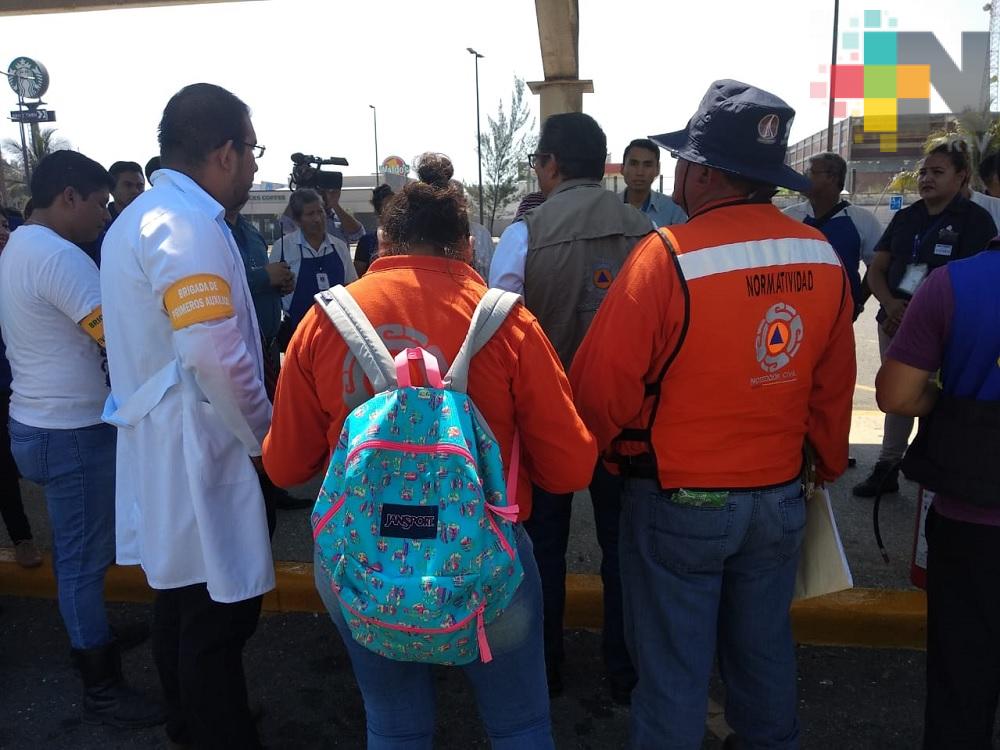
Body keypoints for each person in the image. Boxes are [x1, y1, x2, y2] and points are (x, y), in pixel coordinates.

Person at [263, 154, 596, 749]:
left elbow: (286, 466)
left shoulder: (323, 323)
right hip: (487, 563)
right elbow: (571, 468)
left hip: (359, 562)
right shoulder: (508, 323)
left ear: (383, 242)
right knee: (519, 724)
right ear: (467, 248)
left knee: (393, 724)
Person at [570, 79, 856, 749]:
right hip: (780, 500)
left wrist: (600, 456)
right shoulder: (820, 255)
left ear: (697, 171)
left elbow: (599, 390)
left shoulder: (667, 258)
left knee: (672, 676)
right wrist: (828, 466)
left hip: (679, 502)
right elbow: (833, 387)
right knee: (763, 660)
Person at [101, 83, 273, 749]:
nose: (257, 166)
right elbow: (212, 352)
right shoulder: (184, 226)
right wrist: (264, 434)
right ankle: (218, 734)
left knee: (180, 599)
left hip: (167, 439)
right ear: (225, 153)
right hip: (200, 444)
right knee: (216, 617)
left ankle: (188, 721)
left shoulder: (141, 218)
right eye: (253, 151)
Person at [489, 112, 652, 702]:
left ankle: (545, 665)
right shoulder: (648, 231)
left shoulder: (523, 235)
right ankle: (625, 669)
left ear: (551, 165)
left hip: (548, 421)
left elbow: (499, 335)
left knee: (542, 548)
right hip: (627, 423)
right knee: (624, 548)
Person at [0, 151, 163, 727]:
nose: (105, 214)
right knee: (80, 561)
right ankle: (100, 685)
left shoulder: (20, 245)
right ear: (69, 196)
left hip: (40, 423)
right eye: (99, 203)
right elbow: (116, 335)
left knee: (84, 556)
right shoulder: (60, 259)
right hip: (69, 430)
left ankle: (92, 628)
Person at [874, 246, 1000, 749]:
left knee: (962, 685)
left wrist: (950, 405)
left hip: (973, 522)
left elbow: (898, 396)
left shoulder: (952, 285)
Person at [854, 140, 997, 497]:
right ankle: (887, 466)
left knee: (942, 397)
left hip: (946, 329)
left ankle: (936, 467)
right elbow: (878, 268)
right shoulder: (906, 217)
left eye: (937, 172)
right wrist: (888, 305)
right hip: (895, 320)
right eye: (923, 172)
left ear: (961, 176)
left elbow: (973, 280)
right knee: (898, 395)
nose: (926, 179)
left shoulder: (975, 221)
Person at [225, 202, 305, 514]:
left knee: (270, 418)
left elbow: (262, 280)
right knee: (248, 423)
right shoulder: (211, 231)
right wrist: (264, 278)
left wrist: (281, 281)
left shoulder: (248, 231)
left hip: (268, 346)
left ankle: (273, 485)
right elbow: (227, 281)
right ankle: (254, 494)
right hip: (241, 349)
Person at [784, 151, 883, 318]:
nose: (804, 177)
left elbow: (877, 265)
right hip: (793, 315)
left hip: (840, 316)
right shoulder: (788, 217)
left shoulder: (863, 220)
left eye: (810, 172)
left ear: (832, 177)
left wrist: (858, 302)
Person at [0, 208, 41, 568]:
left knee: (4, 469)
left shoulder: (15, 267)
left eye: (2, 224)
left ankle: (22, 537)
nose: (1, 232)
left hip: (11, 386)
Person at [271, 188, 358, 340]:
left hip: (338, 331)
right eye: (310, 214)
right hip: (298, 331)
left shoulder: (339, 246)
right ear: (298, 220)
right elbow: (272, 291)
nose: (317, 219)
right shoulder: (283, 247)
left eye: (320, 212)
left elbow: (351, 286)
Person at [620, 138, 687, 227]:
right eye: (634, 164)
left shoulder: (674, 210)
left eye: (647, 165)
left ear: (658, 169)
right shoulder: (608, 208)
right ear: (622, 168)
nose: (640, 172)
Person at [354, 183, 393, 276]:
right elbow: (357, 276)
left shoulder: (408, 240)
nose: (395, 210)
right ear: (378, 212)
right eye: (388, 207)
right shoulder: (366, 242)